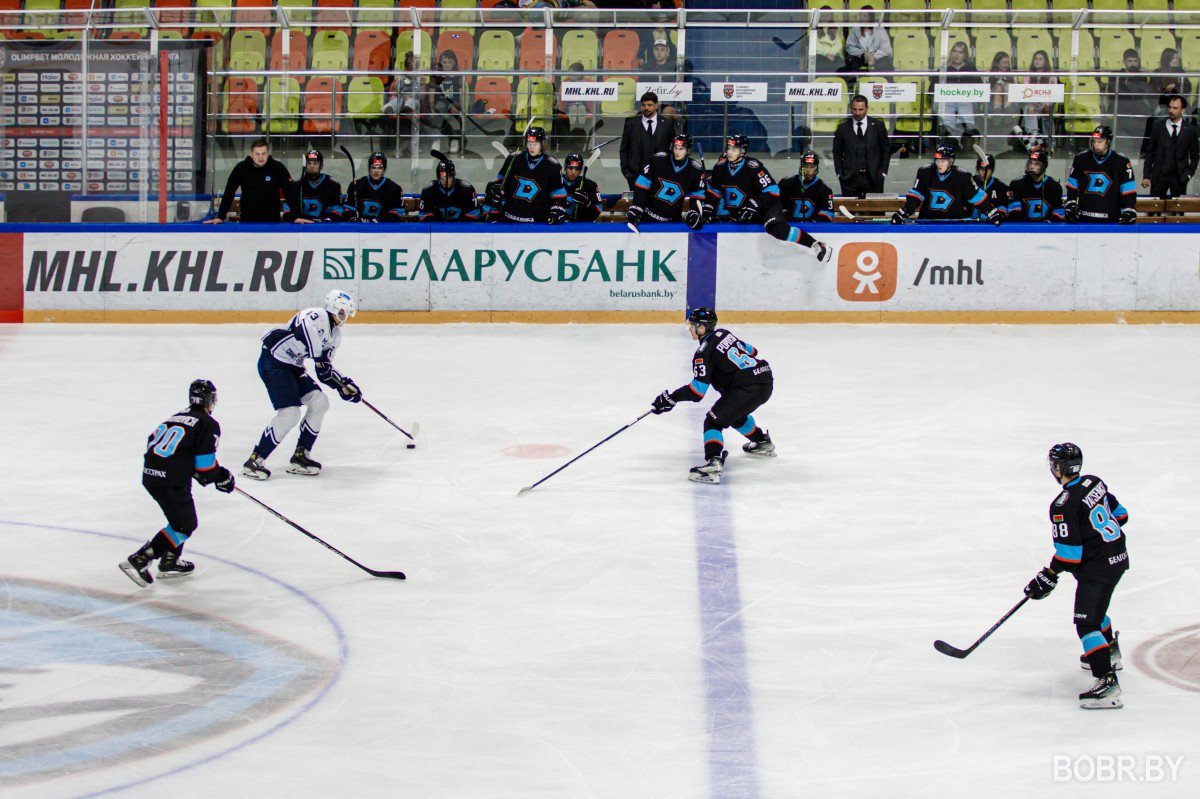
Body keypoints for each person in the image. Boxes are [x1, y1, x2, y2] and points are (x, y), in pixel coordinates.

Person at [1023, 442, 1129, 710]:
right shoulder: (1095, 483)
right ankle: (1111, 652)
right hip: (1117, 557)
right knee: (1096, 610)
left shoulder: (1063, 505)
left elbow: (1070, 556)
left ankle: (1107, 683)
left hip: (1098, 568)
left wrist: (1048, 574)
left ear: (1057, 469)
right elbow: (1122, 515)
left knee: (1086, 623)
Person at [120, 379, 235, 587]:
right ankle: (141, 559)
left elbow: (159, 447)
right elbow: (206, 467)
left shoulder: (173, 418)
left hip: (151, 476)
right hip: (170, 480)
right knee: (185, 525)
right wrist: (222, 476)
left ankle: (170, 560)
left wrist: (191, 469)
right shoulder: (208, 423)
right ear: (210, 400)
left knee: (177, 518)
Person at [649, 307, 776, 485]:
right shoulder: (725, 334)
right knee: (731, 415)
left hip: (746, 388)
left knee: (713, 421)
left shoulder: (703, 352)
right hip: (765, 380)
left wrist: (672, 398)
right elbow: (752, 351)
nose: (690, 329)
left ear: (702, 328)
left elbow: (697, 392)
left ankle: (713, 463)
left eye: (692, 325)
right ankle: (762, 442)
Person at [242, 289, 361, 480]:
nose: (344, 317)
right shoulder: (315, 315)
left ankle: (301, 456)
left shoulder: (335, 336)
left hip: (294, 367)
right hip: (274, 361)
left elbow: (325, 371)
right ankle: (255, 460)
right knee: (290, 413)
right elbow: (303, 329)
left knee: (320, 402)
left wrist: (343, 385)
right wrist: (318, 357)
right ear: (332, 308)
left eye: (346, 313)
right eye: (341, 312)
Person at [705, 133, 832, 261]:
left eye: (734, 149)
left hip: (765, 207)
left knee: (778, 230)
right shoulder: (720, 167)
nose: (730, 152)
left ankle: (816, 245)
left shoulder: (753, 166)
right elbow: (714, 191)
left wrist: (755, 204)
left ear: (742, 151)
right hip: (741, 211)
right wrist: (709, 207)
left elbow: (772, 190)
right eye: (729, 148)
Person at [892, 144, 1001, 224]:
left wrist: (991, 211)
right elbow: (916, 197)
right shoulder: (925, 172)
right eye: (938, 161)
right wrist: (904, 212)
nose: (940, 164)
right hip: (927, 222)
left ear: (951, 161)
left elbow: (976, 197)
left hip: (954, 223)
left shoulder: (962, 176)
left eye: (943, 161)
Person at [483, 127, 569, 223]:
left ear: (542, 143)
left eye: (535, 144)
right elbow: (500, 183)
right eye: (529, 144)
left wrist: (557, 208)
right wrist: (496, 189)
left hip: (538, 221)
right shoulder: (513, 160)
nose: (532, 147)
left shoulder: (552, 166)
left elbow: (559, 194)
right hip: (509, 218)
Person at [626, 132, 707, 230]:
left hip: (673, 222)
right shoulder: (658, 160)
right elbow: (642, 184)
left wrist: (695, 213)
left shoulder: (695, 170)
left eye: (681, 149)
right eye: (675, 147)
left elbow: (697, 195)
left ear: (688, 150)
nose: (677, 152)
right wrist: (637, 206)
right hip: (647, 218)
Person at [1064, 126, 1137, 224]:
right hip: (1084, 217)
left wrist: (1128, 209)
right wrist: (1071, 203)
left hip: (1112, 218)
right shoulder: (1080, 159)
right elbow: (1072, 185)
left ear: (1108, 142)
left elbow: (1128, 189)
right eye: (1094, 141)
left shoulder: (1121, 161)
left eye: (1100, 141)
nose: (1096, 145)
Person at [208, 139, 291, 223]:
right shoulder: (241, 168)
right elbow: (229, 192)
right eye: (257, 154)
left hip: (272, 223)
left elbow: (290, 192)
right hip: (247, 222)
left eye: (263, 153)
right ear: (252, 154)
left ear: (268, 153)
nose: (260, 157)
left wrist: (295, 216)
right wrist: (221, 217)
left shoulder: (278, 168)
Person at [832, 95, 891, 197]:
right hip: (849, 179)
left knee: (875, 211)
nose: (857, 113)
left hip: (874, 178)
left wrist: (883, 172)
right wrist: (839, 173)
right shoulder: (842, 127)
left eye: (861, 109)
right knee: (848, 212)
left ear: (867, 108)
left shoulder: (878, 125)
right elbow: (837, 152)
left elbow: (886, 150)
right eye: (854, 109)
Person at [1141, 95, 1198, 200]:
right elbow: (1149, 153)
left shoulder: (1190, 130)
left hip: (1180, 177)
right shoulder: (1158, 126)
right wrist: (1146, 176)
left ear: (1183, 110)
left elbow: (1195, 156)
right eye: (1170, 107)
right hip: (1159, 176)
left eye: (1175, 108)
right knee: (1154, 210)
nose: (1171, 110)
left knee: (1178, 211)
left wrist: (1188, 175)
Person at [620, 91, 678, 190]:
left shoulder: (667, 124)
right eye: (643, 105)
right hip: (635, 175)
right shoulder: (631, 124)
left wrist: (671, 169)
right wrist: (626, 171)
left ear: (656, 106)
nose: (646, 108)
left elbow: (674, 148)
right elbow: (624, 149)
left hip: (661, 174)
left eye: (650, 105)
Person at [1107, 49, 1156, 147]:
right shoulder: (1115, 75)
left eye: (1135, 61)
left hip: (1136, 105)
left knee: (1147, 118)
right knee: (1130, 122)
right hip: (1119, 104)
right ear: (1124, 62)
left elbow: (1142, 92)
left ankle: (1141, 146)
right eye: (1130, 61)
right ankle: (1137, 145)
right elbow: (1114, 92)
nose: (1133, 64)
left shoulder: (1141, 76)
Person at [282, 149, 345, 223]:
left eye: (315, 163)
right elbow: (287, 209)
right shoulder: (296, 186)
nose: (312, 166)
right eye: (309, 163)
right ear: (305, 165)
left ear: (321, 166)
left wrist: (327, 220)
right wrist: (294, 218)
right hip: (302, 228)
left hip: (325, 229)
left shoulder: (332, 185)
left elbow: (338, 209)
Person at [423, 49, 465, 154]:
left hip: (453, 101)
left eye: (450, 62)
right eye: (444, 62)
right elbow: (432, 92)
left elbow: (462, 93)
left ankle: (454, 139)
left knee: (453, 112)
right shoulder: (437, 76)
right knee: (438, 110)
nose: (447, 65)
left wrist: (463, 108)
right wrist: (432, 107)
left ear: (454, 63)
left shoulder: (458, 76)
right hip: (440, 102)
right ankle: (436, 139)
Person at [1008, 146, 1065, 222]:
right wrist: (1028, 227)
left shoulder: (1054, 187)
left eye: (1036, 164)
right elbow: (1014, 211)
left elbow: (1058, 212)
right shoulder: (1017, 185)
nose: (1031, 166)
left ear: (1044, 167)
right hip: (1023, 231)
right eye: (1030, 163)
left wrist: (1047, 224)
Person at [936, 41, 979, 141]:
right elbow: (933, 88)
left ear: (965, 55)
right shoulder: (943, 68)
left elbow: (978, 87)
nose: (956, 54)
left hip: (968, 101)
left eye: (960, 52)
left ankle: (963, 128)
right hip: (947, 101)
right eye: (954, 51)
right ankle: (949, 130)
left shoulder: (970, 68)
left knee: (963, 99)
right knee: (949, 100)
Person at [345, 152, 406, 222]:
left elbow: (397, 213)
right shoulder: (356, 185)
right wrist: (352, 218)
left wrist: (380, 221)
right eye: (373, 167)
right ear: (369, 169)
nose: (376, 171)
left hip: (383, 230)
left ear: (384, 170)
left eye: (380, 168)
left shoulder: (394, 188)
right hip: (359, 228)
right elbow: (347, 209)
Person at [1015, 50, 1055, 153]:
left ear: (1045, 61)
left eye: (1040, 59)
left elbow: (1053, 92)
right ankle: (1034, 139)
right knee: (1030, 109)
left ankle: (1049, 142)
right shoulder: (1028, 74)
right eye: (1036, 59)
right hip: (1031, 103)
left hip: (1045, 104)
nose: (1037, 61)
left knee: (1047, 110)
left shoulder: (1051, 75)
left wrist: (1045, 103)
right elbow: (1025, 91)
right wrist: (1034, 102)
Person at [778, 151, 834, 223]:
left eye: (812, 167)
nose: (808, 170)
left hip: (813, 229)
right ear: (801, 167)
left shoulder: (824, 189)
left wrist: (814, 223)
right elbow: (776, 203)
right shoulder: (787, 183)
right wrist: (785, 217)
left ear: (816, 168)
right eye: (805, 166)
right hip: (789, 226)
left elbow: (828, 213)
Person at [418, 157, 482, 221]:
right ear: (438, 177)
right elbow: (424, 216)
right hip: (437, 229)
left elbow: (474, 216)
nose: (446, 181)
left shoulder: (467, 190)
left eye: (449, 178)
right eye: (443, 178)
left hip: (461, 229)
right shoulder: (429, 191)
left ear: (453, 176)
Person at [843, 6, 893, 73]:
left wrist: (874, 57)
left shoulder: (880, 30)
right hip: (860, 58)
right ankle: (857, 82)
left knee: (886, 64)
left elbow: (886, 49)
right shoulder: (855, 30)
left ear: (871, 17)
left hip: (877, 59)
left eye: (864, 16)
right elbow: (850, 47)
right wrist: (863, 55)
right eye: (860, 15)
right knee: (851, 62)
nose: (861, 18)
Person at [560, 152, 602, 222]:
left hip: (581, 227)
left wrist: (588, 203)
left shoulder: (590, 185)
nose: (573, 172)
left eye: (577, 169)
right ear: (565, 167)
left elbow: (597, 212)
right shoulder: (555, 181)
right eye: (570, 168)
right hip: (558, 225)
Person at [971, 154, 1013, 222]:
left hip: (992, 226)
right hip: (969, 226)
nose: (984, 173)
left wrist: (1000, 216)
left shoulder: (1001, 187)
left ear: (992, 170)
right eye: (981, 169)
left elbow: (1005, 210)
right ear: (977, 169)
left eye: (987, 170)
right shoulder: (969, 183)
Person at [814, 6, 845, 74]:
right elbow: (815, 45)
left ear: (831, 17)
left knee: (842, 65)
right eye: (823, 15)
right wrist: (827, 54)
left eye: (827, 15)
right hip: (820, 55)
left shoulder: (836, 29)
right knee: (821, 65)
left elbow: (839, 44)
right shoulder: (814, 29)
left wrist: (832, 53)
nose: (825, 17)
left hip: (834, 55)